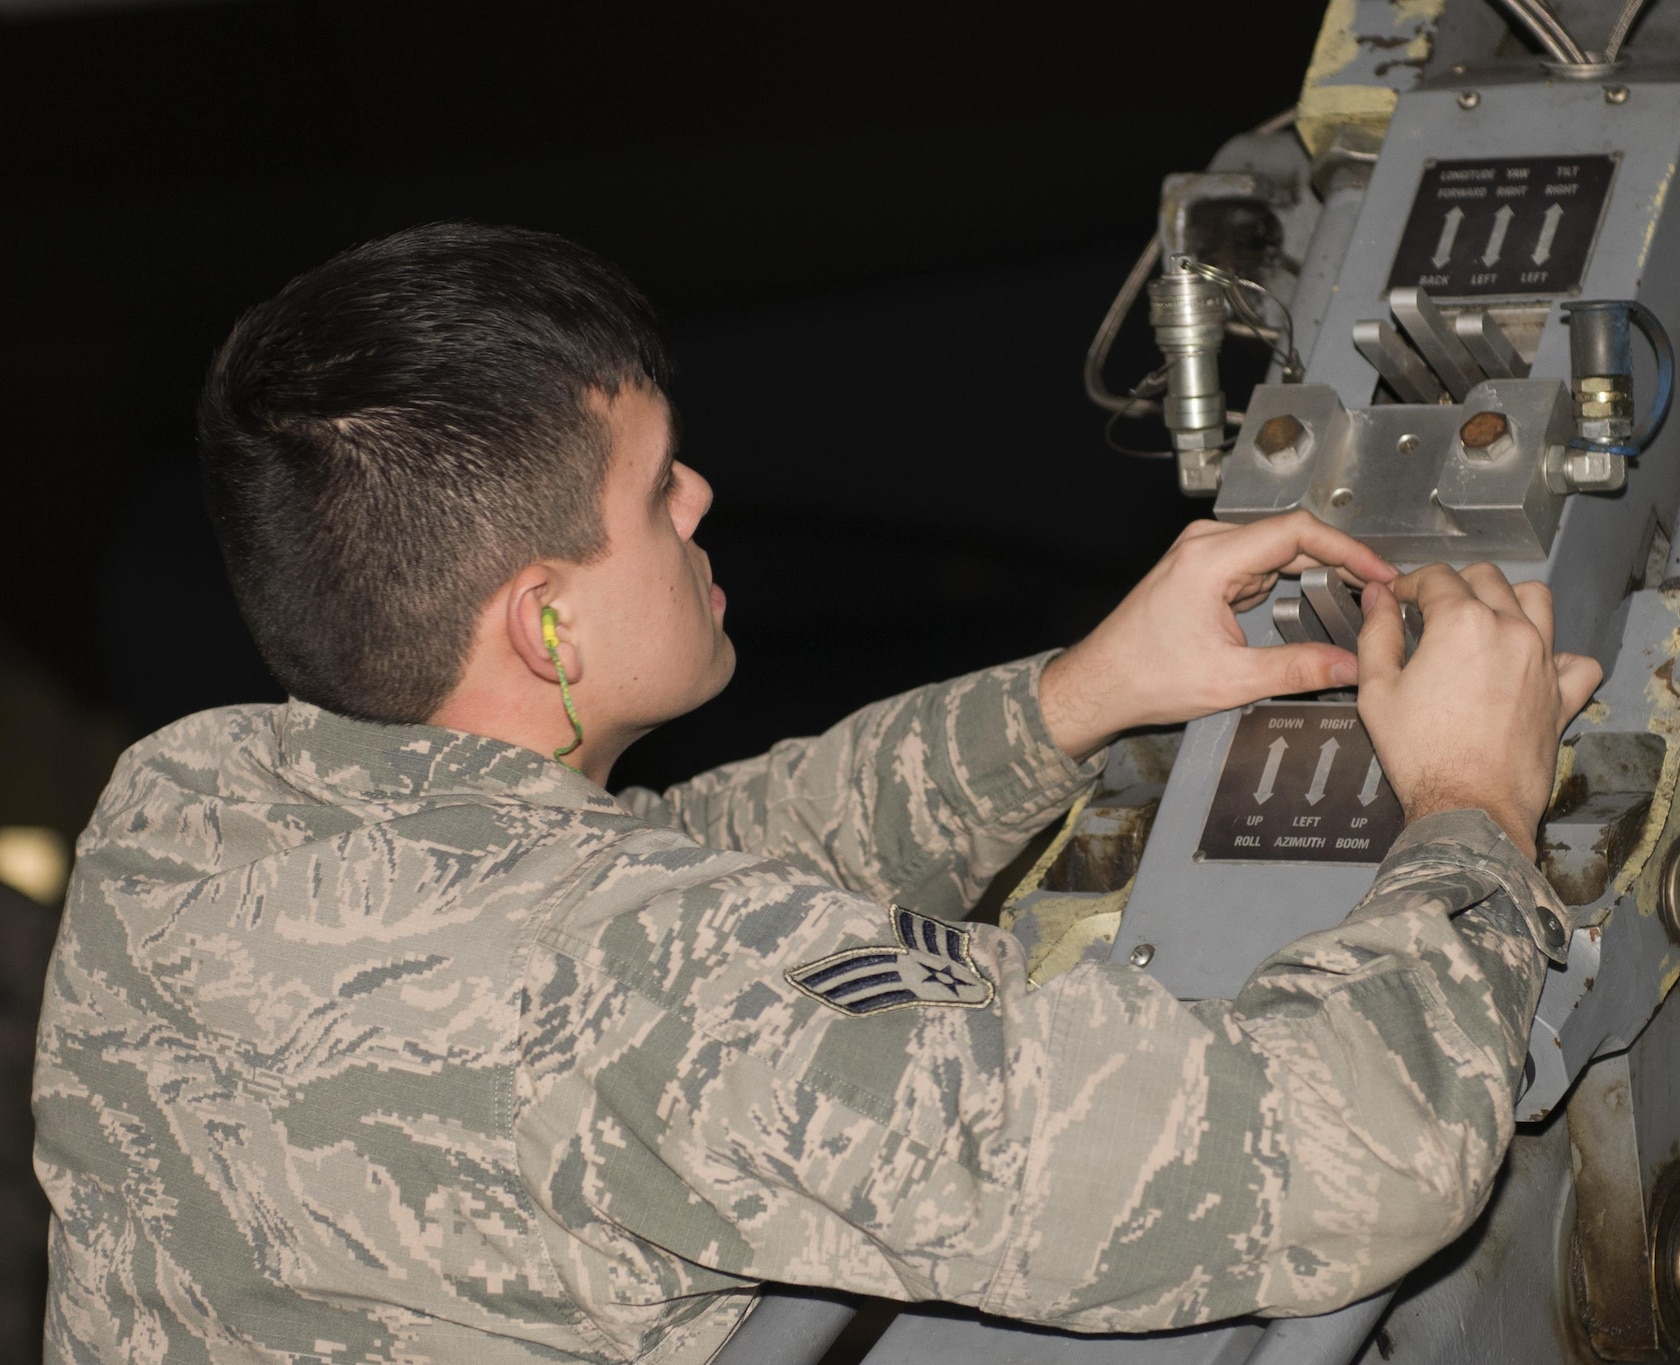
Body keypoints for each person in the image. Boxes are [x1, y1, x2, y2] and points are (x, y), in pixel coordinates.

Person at [33, 222, 1600, 1364]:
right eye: (655, 490)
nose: (703, 494)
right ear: (544, 622)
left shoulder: (178, 813)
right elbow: (1349, 1153)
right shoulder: (661, 994)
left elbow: (636, 867)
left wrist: (1072, 700)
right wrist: (1472, 802)